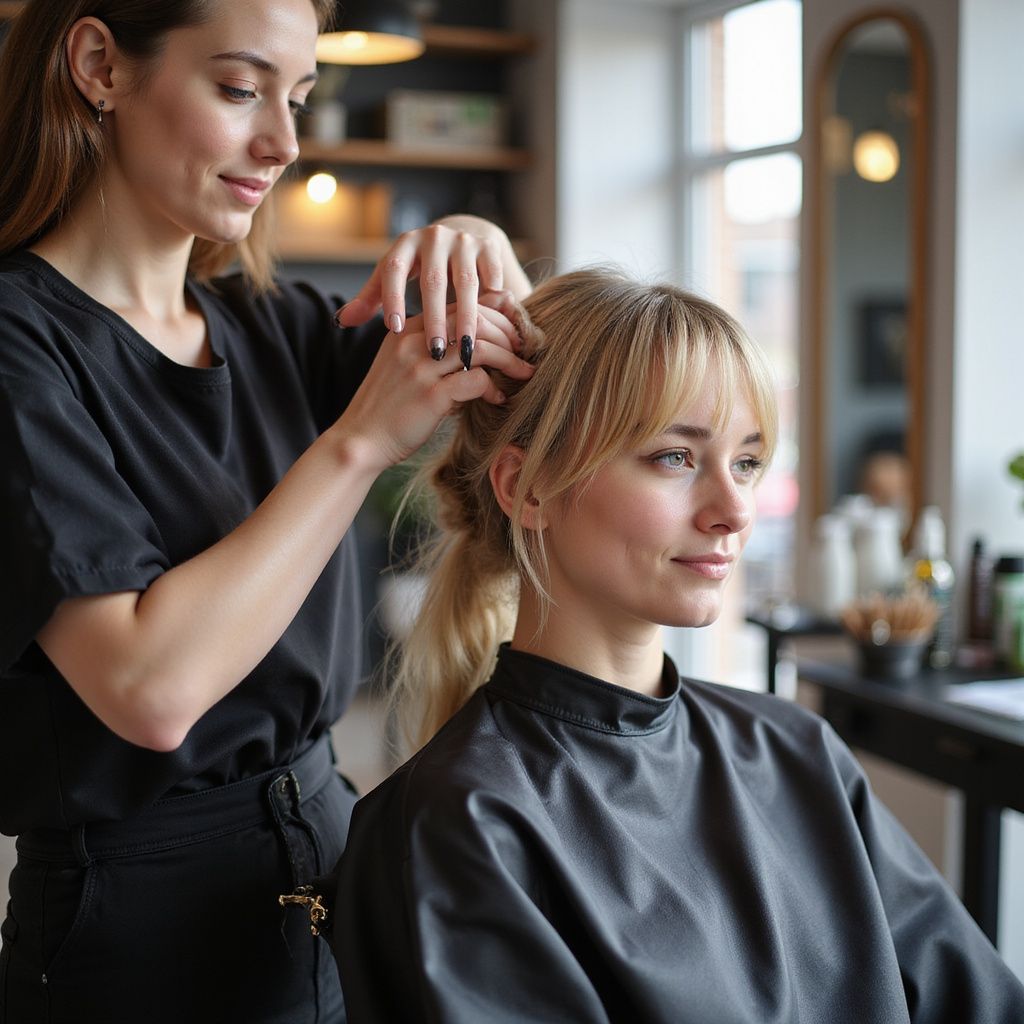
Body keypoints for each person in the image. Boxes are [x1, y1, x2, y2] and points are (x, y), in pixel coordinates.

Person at [0, 0, 534, 1021]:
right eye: (241, 90)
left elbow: (508, 402)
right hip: (134, 936)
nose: (283, 143)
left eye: (298, 99)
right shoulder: (20, 347)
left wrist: (479, 249)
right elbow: (149, 688)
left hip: (332, 862)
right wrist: (358, 441)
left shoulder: (271, 323)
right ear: (100, 64)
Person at [331, 268, 1024, 1023]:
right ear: (526, 487)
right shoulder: (461, 822)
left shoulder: (796, 750)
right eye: (675, 457)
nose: (734, 511)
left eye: (748, 462)